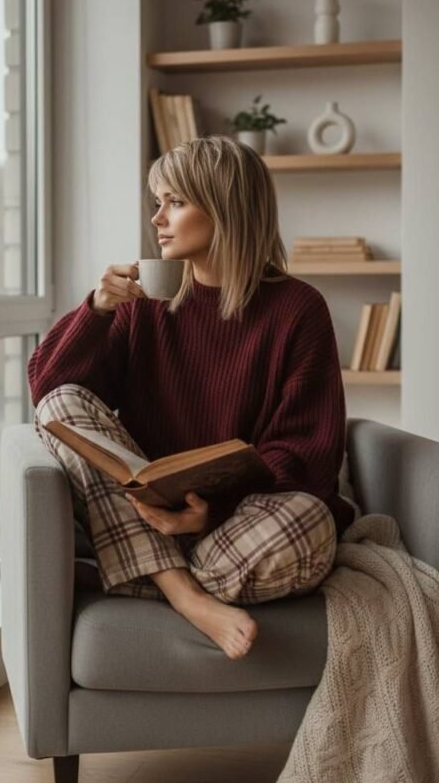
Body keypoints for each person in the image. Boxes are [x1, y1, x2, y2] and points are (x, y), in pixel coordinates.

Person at [27, 135, 355, 660]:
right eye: (157, 203)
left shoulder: (298, 309)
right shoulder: (145, 306)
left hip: (237, 521)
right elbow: (51, 391)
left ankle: (131, 572)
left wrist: (210, 511)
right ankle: (186, 596)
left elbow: (305, 453)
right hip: (147, 515)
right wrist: (97, 309)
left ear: (226, 210)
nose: (158, 218)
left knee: (306, 522)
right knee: (62, 404)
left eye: (175, 203)